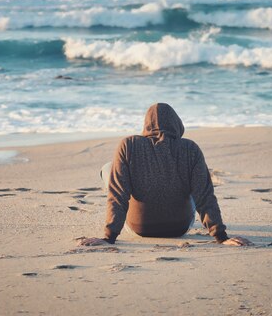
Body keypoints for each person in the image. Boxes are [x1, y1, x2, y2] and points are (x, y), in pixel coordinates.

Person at [79, 103, 252, 247]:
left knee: (108, 169)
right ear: (177, 124)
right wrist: (221, 237)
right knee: (196, 181)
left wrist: (109, 237)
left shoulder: (128, 145)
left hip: (139, 227)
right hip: (179, 227)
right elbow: (204, 195)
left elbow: (118, 194)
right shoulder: (190, 148)